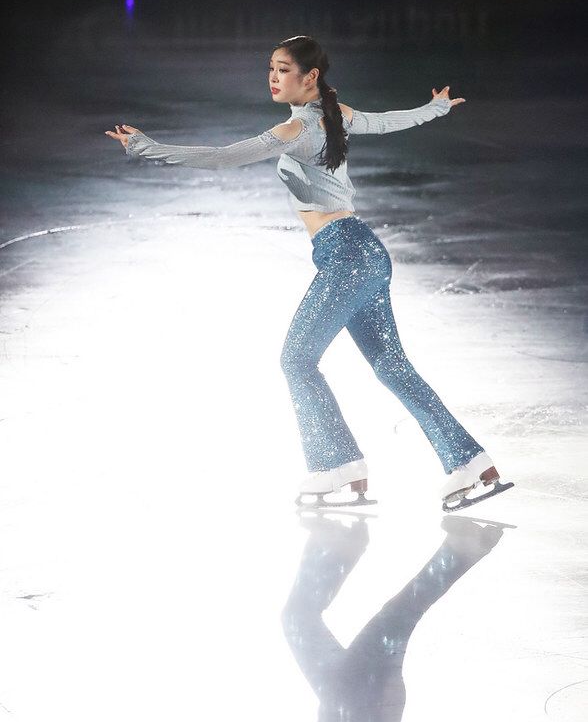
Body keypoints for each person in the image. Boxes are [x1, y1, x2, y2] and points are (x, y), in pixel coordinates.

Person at [106, 34, 507, 510]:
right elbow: (387, 122)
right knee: (390, 366)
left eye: (282, 69)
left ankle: (336, 464)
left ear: (310, 76)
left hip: (345, 256)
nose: (273, 78)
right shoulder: (338, 114)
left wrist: (146, 148)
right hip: (367, 253)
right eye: (270, 68)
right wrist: (434, 109)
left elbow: (220, 157)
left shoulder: (295, 132)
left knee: (297, 359)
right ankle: (467, 460)